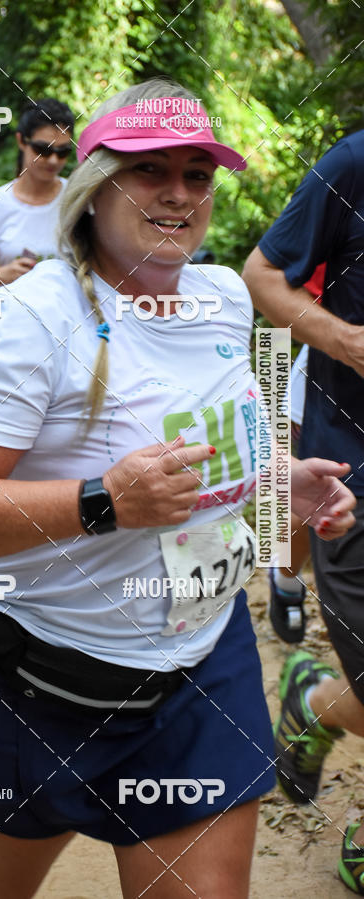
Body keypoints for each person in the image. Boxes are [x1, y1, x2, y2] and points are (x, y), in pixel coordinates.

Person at [0, 79, 356, 899]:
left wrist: (278, 484)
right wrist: (101, 500)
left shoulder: (221, 296)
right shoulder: (30, 318)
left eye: (198, 174)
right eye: (152, 171)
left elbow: (219, 445)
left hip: (196, 668)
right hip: (26, 674)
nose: (180, 193)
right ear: (96, 184)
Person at [243, 132, 364, 894]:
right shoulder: (352, 164)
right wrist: (344, 338)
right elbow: (262, 275)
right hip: (347, 466)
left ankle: (317, 706)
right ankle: (314, 699)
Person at [268, 264, 326, 643]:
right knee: (311, 498)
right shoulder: (344, 209)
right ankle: (285, 581)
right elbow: (281, 284)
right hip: (334, 372)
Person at [0, 98, 74, 292]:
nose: (54, 160)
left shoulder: (77, 198)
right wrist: (7, 273)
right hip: (15, 317)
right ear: (22, 141)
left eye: (63, 151)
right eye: (43, 150)